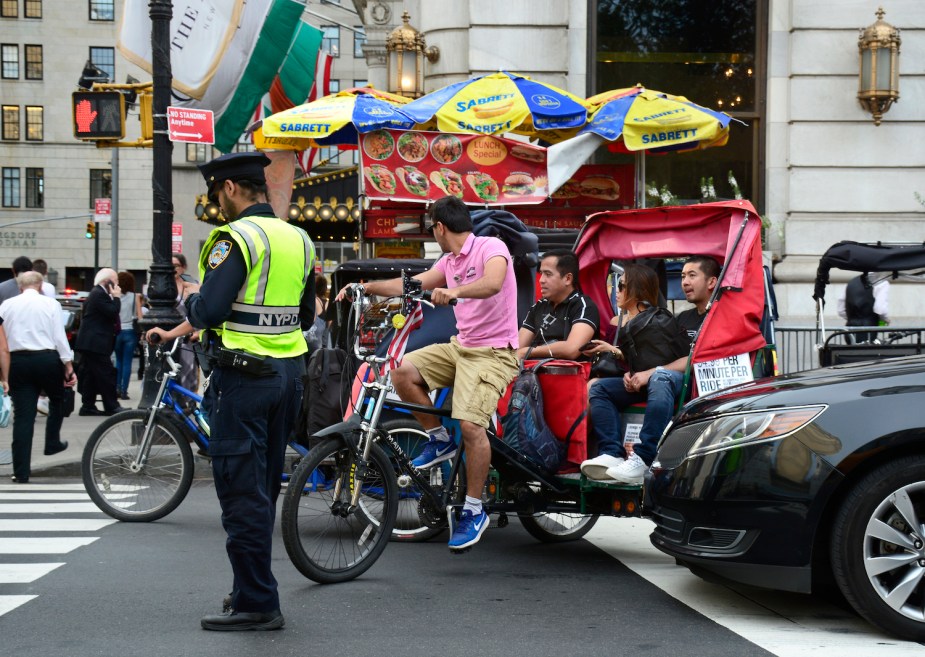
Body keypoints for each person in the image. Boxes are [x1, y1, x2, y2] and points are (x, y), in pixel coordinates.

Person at [147, 152, 315, 632]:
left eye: (216, 194)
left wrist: (196, 298)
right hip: (288, 375)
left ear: (230, 190)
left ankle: (258, 603)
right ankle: (248, 590)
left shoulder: (236, 237)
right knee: (261, 487)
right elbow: (304, 318)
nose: (217, 203)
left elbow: (212, 310)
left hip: (244, 380)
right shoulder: (299, 239)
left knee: (241, 492)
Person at [336, 195, 520, 552]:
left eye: (430, 227)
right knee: (401, 371)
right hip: (461, 347)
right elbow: (413, 283)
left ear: (439, 227)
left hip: (494, 353)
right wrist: (366, 287)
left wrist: (455, 292)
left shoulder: (489, 246)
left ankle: (474, 509)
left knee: (471, 426)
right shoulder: (449, 261)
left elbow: (494, 282)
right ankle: (437, 437)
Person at [579, 263, 691, 484]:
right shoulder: (626, 320)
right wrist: (629, 371)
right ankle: (611, 452)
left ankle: (643, 457)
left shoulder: (660, 319)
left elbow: (675, 359)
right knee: (600, 387)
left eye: (621, 286)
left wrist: (649, 372)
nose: (616, 291)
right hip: (645, 383)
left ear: (637, 290)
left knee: (659, 378)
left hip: (670, 383)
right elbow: (642, 357)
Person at [0, 271, 77, 483]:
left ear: (20, 287)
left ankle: (21, 472)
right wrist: (68, 364)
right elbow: (59, 337)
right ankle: (52, 441)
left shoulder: (6, 306)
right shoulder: (50, 304)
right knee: (58, 398)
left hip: (17, 362)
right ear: (41, 286)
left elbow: (3, 342)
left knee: (23, 417)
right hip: (46, 359)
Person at [516, 249, 599, 360]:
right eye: (541, 273)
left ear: (567, 279)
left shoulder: (584, 306)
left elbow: (572, 349)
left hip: (568, 375)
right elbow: (517, 348)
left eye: (548, 274)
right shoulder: (539, 306)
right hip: (531, 373)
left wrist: (530, 352)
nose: (541, 280)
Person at [75, 268, 123, 416]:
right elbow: (113, 311)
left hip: (93, 342)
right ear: (106, 281)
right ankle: (112, 406)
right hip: (95, 342)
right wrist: (116, 297)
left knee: (91, 374)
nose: (117, 285)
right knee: (105, 374)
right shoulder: (98, 294)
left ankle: (87, 406)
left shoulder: (97, 293)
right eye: (115, 281)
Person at [113, 271, 143, 400]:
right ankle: (124, 391)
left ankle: (117, 388)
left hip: (117, 331)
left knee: (118, 361)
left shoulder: (115, 296)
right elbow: (140, 316)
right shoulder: (135, 296)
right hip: (130, 331)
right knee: (127, 362)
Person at [837, 274, 890, 343]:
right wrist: (885, 319)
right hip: (868, 330)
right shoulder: (881, 283)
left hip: (849, 330)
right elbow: (880, 309)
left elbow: (841, 310)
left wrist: (854, 319)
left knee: (851, 352)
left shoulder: (851, 282)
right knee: (866, 352)